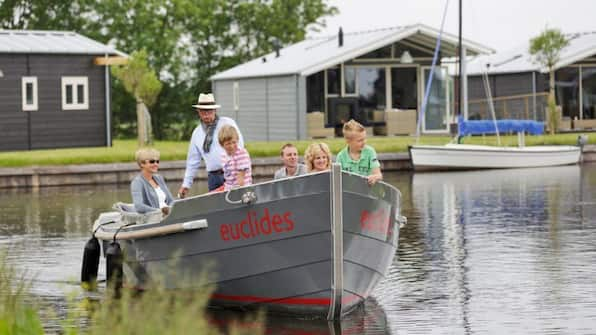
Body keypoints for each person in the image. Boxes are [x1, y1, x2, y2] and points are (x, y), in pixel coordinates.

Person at [178, 93, 245, 197]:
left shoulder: (227, 123)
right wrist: (186, 184)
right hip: (213, 178)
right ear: (198, 112)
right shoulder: (197, 133)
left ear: (214, 111)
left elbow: (239, 147)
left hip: (233, 173)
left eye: (209, 112)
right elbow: (192, 161)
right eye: (203, 112)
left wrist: (239, 171)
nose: (206, 115)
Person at [336, 119, 382, 185]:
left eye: (365, 138)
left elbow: (378, 174)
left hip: (367, 191)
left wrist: (375, 177)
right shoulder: (341, 156)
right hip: (349, 193)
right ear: (348, 141)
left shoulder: (370, 152)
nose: (364, 142)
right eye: (360, 140)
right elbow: (337, 180)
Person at [130, 147, 174, 214]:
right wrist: (160, 211)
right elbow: (139, 206)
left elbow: (171, 200)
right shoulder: (137, 182)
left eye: (157, 161)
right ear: (142, 164)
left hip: (168, 215)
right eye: (152, 161)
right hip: (154, 218)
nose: (156, 164)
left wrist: (170, 209)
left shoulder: (159, 178)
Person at [217, 125, 252, 191]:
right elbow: (227, 175)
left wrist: (237, 191)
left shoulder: (241, 153)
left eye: (234, 142)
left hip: (242, 189)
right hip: (229, 189)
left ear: (237, 140)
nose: (232, 146)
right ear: (222, 145)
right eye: (228, 144)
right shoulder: (223, 155)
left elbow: (241, 177)